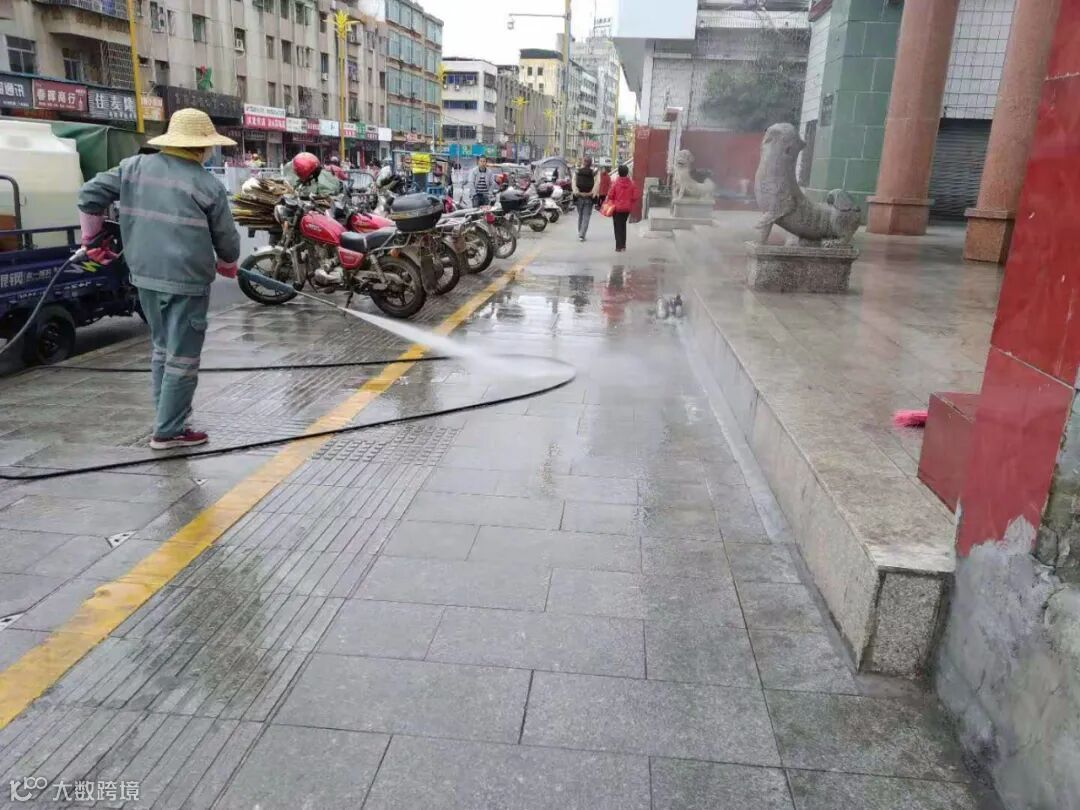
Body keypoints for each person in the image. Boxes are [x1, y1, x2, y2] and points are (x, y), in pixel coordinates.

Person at [77, 108, 240, 450]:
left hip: (144, 276)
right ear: (201, 147)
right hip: (187, 282)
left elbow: (89, 196)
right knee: (183, 357)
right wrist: (228, 262)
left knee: (163, 349)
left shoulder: (132, 168)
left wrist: (90, 240)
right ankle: (169, 432)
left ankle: (168, 419)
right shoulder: (207, 184)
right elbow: (227, 240)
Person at [607, 164, 641, 253]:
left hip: (617, 208)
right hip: (627, 209)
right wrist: (629, 201)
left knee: (617, 226)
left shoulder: (615, 183)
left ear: (619, 173)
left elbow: (610, 195)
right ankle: (623, 245)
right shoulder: (632, 183)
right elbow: (636, 196)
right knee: (623, 225)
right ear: (627, 173)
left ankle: (619, 246)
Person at [572, 156, 598, 241]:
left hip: (579, 197)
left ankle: (580, 233)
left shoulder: (577, 171)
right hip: (589, 198)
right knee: (586, 216)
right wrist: (591, 193)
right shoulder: (594, 173)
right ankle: (582, 234)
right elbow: (597, 184)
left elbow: (573, 183)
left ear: (583, 163)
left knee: (581, 215)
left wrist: (578, 193)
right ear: (591, 163)